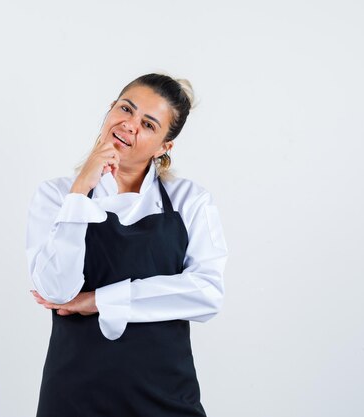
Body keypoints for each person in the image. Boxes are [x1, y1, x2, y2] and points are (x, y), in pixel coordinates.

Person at [25, 73, 229, 417]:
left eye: (148, 124)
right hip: (75, 398)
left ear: (165, 146)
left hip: (165, 398)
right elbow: (57, 290)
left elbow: (207, 293)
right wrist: (79, 192)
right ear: (109, 110)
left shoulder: (189, 201)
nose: (130, 125)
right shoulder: (57, 195)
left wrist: (100, 300)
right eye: (125, 109)